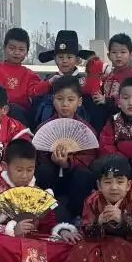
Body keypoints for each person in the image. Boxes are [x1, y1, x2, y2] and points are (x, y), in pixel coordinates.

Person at [33, 75, 99, 220]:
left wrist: (68, 162)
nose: (65, 104)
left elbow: (89, 156)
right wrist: (52, 158)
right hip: (52, 177)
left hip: (73, 179)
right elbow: (38, 152)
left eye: (70, 99)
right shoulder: (44, 127)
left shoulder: (85, 130)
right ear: (53, 100)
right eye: (60, 99)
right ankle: (45, 212)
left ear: (79, 102)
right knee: (43, 170)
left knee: (83, 174)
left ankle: (77, 214)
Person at [0, 27, 50, 127]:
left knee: (13, 108)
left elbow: (35, 91)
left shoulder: (29, 74)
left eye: (21, 49)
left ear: (27, 51)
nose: (16, 52)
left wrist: (48, 83)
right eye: (12, 48)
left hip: (21, 116)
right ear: (4, 48)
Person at [32, 30, 102, 127]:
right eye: (60, 57)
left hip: (80, 126)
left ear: (77, 60)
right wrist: (48, 84)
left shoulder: (84, 81)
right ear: (55, 59)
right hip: (52, 126)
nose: (64, 61)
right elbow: (35, 93)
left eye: (69, 57)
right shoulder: (50, 79)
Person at [90, 32, 132, 130]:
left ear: (130, 55)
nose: (118, 56)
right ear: (108, 55)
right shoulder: (109, 75)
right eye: (114, 52)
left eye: (123, 52)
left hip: (124, 116)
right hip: (107, 114)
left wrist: (107, 101)